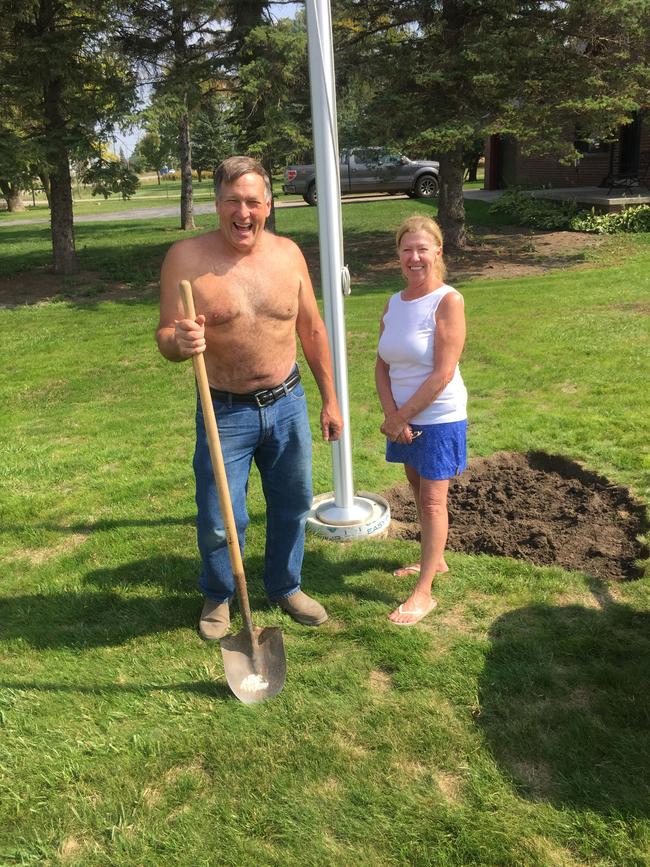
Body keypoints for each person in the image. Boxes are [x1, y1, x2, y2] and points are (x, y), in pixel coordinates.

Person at [157, 155, 343, 640]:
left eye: (253, 202)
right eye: (233, 201)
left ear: (269, 205)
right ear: (217, 204)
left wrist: (330, 399)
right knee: (221, 516)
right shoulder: (186, 259)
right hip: (225, 410)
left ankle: (285, 584)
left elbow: (312, 328)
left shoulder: (288, 255)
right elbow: (164, 337)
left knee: (293, 503)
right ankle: (219, 595)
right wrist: (180, 343)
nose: (244, 212)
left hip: (287, 403)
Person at [376, 215, 467, 626]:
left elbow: (443, 373)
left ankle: (424, 592)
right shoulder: (394, 303)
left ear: (438, 252)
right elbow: (381, 364)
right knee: (416, 488)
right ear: (399, 255)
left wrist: (402, 416)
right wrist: (392, 416)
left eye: (422, 249)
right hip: (403, 418)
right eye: (407, 249)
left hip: (439, 416)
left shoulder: (448, 300)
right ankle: (437, 561)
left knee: (432, 501)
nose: (414, 257)